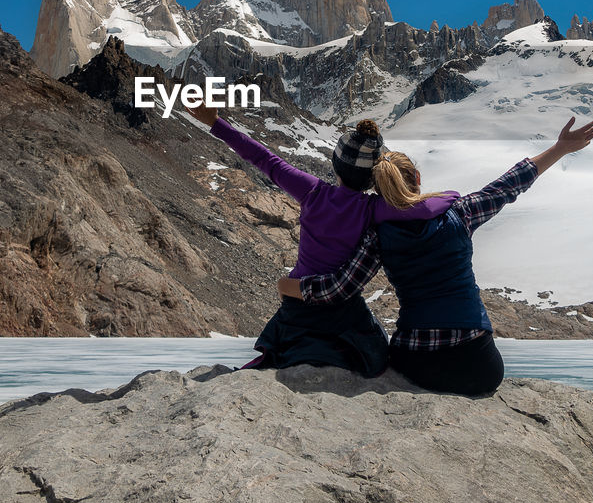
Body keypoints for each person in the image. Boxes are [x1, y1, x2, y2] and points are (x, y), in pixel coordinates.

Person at [279, 116, 593, 396]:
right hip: (479, 366)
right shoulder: (460, 213)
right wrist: (560, 147)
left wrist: (291, 286)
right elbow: (511, 183)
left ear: (378, 190)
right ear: (417, 179)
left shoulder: (376, 236)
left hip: (415, 362)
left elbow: (340, 288)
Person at [185, 103, 459, 375]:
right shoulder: (373, 209)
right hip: (343, 309)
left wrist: (216, 123)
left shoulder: (312, 191)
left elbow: (264, 159)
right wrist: (452, 196)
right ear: (372, 178)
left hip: (298, 303)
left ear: (336, 164)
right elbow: (425, 207)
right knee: (375, 352)